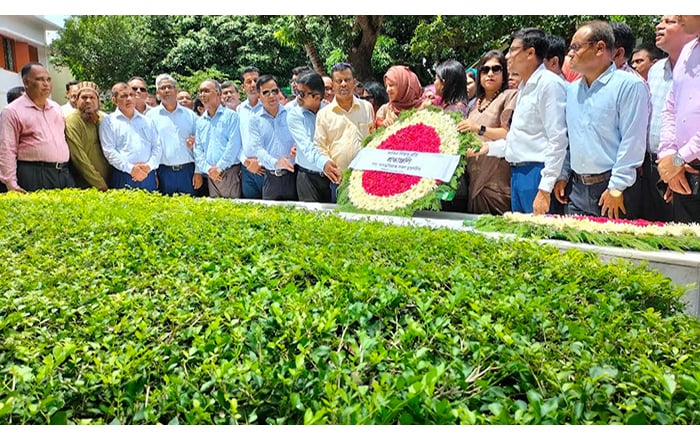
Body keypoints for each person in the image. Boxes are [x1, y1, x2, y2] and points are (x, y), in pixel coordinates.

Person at [554, 20, 649, 220]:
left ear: (600, 48)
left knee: (614, 251)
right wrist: (562, 175)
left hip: (613, 189)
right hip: (576, 189)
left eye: (575, 47)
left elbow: (633, 141)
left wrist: (616, 187)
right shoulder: (572, 90)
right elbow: (570, 139)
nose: (570, 53)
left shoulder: (630, 86)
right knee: (575, 250)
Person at [470, 28, 568, 215]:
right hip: (518, 174)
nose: (507, 56)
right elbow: (521, 137)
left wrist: (545, 188)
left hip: (536, 174)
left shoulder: (549, 84)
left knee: (540, 239)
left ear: (530, 53)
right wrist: (489, 149)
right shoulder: (524, 86)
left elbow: (558, 140)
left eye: (513, 50)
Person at [642, 15, 696, 221]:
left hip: (686, 165)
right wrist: (669, 163)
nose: (659, 26)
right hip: (661, 166)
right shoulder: (658, 69)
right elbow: (669, 111)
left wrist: (677, 160)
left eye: (670, 21)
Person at [457, 51, 518, 215]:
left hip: (496, 179)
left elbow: (507, 133)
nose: (490, 74)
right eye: (485, 70)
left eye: (496, 69)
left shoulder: (510, 96)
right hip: (475, 175)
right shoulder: (474, 104)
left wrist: (478, 128)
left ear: (504, 73)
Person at [0, 62, 76, 192]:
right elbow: (7, 149)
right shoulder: (12, 111)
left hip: (62, 172)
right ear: (26, 83)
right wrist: (10, 183)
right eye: (40, 79)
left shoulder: (56, 108)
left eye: (48, 79)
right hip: (34, 173)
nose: (46, 84)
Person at [656, 15, 700, 223]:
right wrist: (668, 156)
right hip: (684, 175)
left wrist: (678, 159)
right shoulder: (688, 50)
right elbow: (671, 107)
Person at [314, 62, 374, 202]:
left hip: (365, 180)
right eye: (338, 81)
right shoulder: (324, 114)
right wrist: (327, 164)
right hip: (339, 181)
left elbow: (373, 139)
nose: (343, 84)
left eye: (347, 80)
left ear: (354, 82)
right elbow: (319, 146)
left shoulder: (367, 108)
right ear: (333, 85)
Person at [99, 82, 161, 191]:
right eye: (123, 96)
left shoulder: (147, 121)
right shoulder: (109, 122)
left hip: (147, 175)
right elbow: (109, 151)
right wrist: (131, 169)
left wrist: (149, 166)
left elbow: (157, 146)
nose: (129, 99)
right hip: (123, 175)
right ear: (114, 100)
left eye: (131, 95)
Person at [147, 74, 201, 196]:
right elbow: (149, 147)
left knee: (190, 210)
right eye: (162, 88)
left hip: (188, 171)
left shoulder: (190, 116)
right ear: (157, 93)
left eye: (169, 87)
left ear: (176, 90)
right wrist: (153, 174)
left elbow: (199, 144)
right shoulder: (150, 117)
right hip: (163, 172)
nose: (166, 91)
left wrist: (198, 171)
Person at [249, 75, 297, 201]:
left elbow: (300, 139)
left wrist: (297, 148)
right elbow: (258, 149)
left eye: (274, 91)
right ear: (259, 96)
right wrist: (276, 162)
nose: (272, 96)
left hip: (293, 176)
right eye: (266, 92)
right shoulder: (254, 120)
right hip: (270, 177)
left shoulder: (291, 114)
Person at [193, 79, 243, 198]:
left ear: (218, 94)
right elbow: (198, 149)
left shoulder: (231, 116)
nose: (202, 95)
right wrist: (208, 169)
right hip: (210, 174)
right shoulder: (200, 121)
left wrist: (219, 168)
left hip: (228, 172)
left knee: (233, 211)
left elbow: (234, 145)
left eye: (206, 91)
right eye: (200, 92)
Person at [287, 71, 331, 202]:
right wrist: (324, 163)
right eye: (296, 92)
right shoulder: (294, 115)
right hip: (307, 177)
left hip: (331, 175)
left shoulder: (330, 112)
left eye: (302, 94)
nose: (297, 97)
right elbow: (306, 147)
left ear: (317, 97)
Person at [65, 81, 110, 191]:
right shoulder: (72, 121)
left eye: (92, 97)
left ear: (98, 101)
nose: (88, 101)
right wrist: (99, 183)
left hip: (109, 182)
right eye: (84, 97)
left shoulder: (104, 120)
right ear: (76, 101)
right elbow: (79, 157)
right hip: (86, 185)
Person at [237, 66, 265, 199]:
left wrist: (260, 162)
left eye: (256, 80)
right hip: (247, 168)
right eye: (249, 82)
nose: (253, 84)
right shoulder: (239, 110)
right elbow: (236, 140)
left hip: (267, 167)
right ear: (243, 87)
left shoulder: (269, 107)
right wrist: (246, 162)